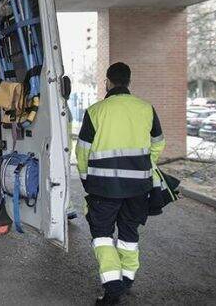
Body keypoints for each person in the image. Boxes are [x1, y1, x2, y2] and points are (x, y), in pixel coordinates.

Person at [75, 62, 166, 305]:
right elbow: (158, 142)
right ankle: (126, 279)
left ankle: (113, 287)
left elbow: (82, 151)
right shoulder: (146, 109)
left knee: (102, 235)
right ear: (128, 81)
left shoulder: (96, 111)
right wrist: (145, 166)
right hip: (138, 188)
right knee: (129, 234)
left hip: (103, 188)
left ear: (108, 81)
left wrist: (86, 180)